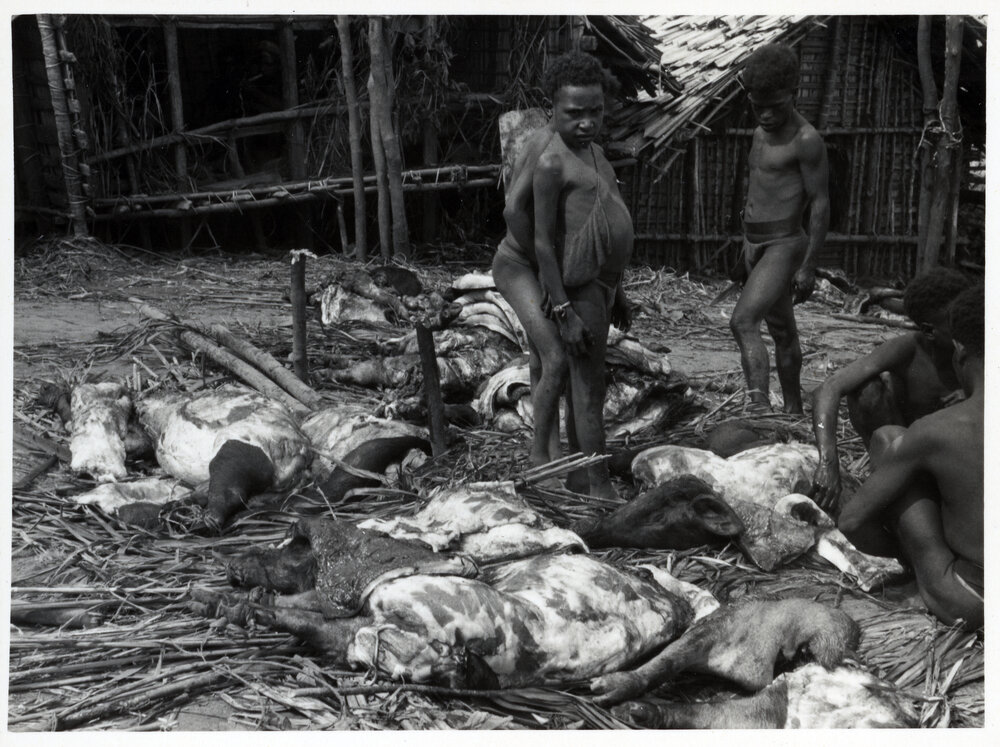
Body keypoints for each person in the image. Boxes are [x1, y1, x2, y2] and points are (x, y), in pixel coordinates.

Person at [492, 51, 633, 499]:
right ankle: (553, 467)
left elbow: (595, 217)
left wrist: (617, 287)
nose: (588, 121)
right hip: (533, 270)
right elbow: (522, 217)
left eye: (596, 112)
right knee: (561, 363)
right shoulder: (549, 154)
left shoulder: (591, 151)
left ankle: (568, 467)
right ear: (552, 109)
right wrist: (558, 296)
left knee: (555, 365)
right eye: (575, 114)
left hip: (585, 280)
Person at [838, 285, 983, 628]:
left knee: (890, 441)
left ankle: (922, 575)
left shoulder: (938, 429)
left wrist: (911, 554)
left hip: (975, 598)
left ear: (960, 350)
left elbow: (851, 523)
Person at [810, 268, 970, 508]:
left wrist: (975, 398)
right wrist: (828, 462)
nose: (967, 328)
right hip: (909, 458)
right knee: (866, 390)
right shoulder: (909, 350)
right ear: (929, 331)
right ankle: (888, 480)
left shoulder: (980, 346)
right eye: (955, 323)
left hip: (964, 462)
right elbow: (830, 387)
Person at [729, 43, 829, 414]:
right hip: (755, 244)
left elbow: (820, 202)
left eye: (776, 105)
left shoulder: (806, 140)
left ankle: (758, 411)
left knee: (742, 321)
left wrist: (809, 265)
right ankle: (793, 411)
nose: (767, 115)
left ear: (794, 94)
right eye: (759, 106)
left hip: (785, 245)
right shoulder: (758, 134)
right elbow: (758, 191)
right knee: (783, 332)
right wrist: (746, 242)